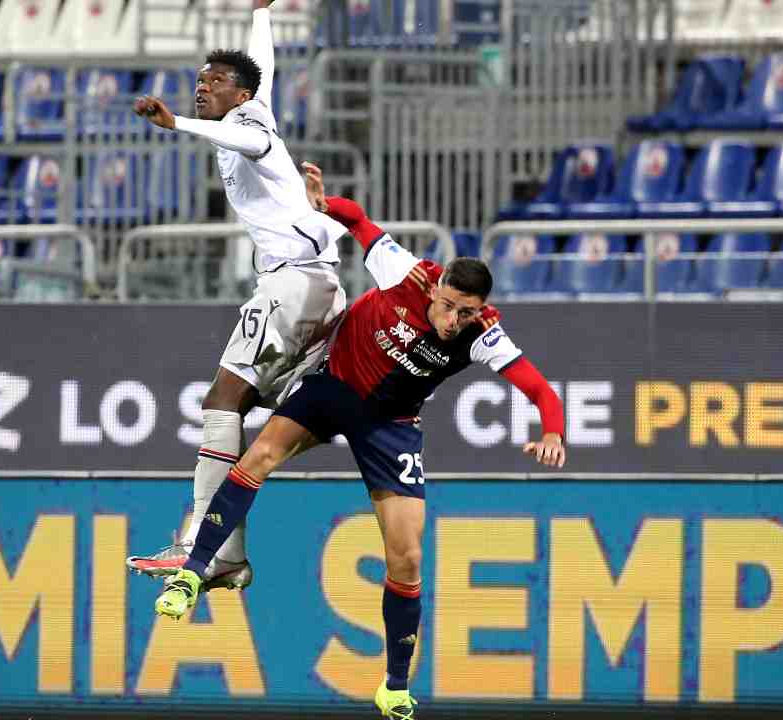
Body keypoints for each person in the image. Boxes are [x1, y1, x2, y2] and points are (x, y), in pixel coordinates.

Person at [153, 165, 567, 719]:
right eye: (448, 305)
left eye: (464, 312)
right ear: (438, 285)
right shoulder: (406, 272)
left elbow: (539, 389)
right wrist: (324, 204)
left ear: (479, 309)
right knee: (259, 455)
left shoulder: (484, 334)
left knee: (408, 557)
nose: (451, 319)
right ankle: (191, 573)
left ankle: (394, 686)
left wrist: (554, 431)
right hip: (333, 388)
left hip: (390, 426)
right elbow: (357, 221)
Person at [125, 0, 350, 593]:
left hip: (294, 283)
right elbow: (265, 69)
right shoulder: (256, 113)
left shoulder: (250, 130)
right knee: (261, 414)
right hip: (315, 283)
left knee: (223, 402)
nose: (203, 88)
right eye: (199, 81)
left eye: (216, 82)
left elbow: (245, 134)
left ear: (241, 97)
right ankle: (225, 552)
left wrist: (177, 125)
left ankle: (202, 542)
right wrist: (260, 14)